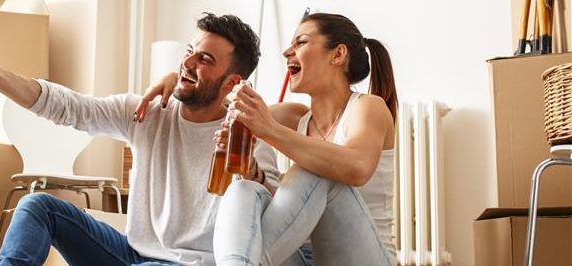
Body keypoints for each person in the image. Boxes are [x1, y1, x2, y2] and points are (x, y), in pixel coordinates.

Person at [0, 13, 280, 265]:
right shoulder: (148, 111)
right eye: (189, 52)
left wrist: (252, 172)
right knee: (37, 206)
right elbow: (69, 107)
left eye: (204, 60)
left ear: (233, 82)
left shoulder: (248, 134)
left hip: (191, 264)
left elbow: (275, 207)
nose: (187, 64)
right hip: (128, 254)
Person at [137, 12, 398, 266]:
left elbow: (357, 167)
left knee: (313, 172)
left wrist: (269, 129)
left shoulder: (367, 107)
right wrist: (179, 79)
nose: (287, 52)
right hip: (299, 255)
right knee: (243, 188)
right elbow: (222, 106)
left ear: (338, 54)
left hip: (363, 258)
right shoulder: (295, 117)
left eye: (301, 42)